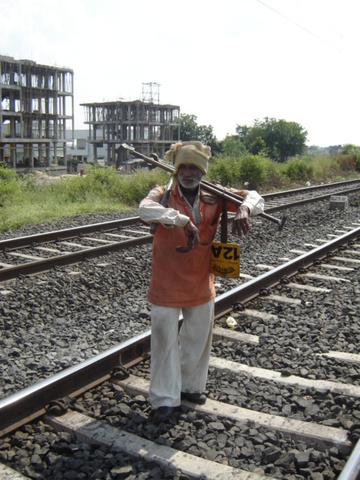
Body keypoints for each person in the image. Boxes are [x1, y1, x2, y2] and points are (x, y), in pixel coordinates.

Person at [138, 141, 264, 424]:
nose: (187, 172)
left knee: (197, 338)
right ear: (176, 170)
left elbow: (256, 197)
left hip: (200, 281)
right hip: (166, 283)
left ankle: (190, 388)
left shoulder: (215, 195)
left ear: (202, 171)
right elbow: (144, 210)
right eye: (182, 167)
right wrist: (180, 219)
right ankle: (163, 399)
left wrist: (244, 208)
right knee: (164, 341)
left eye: (194, 167)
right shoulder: (162, 194)